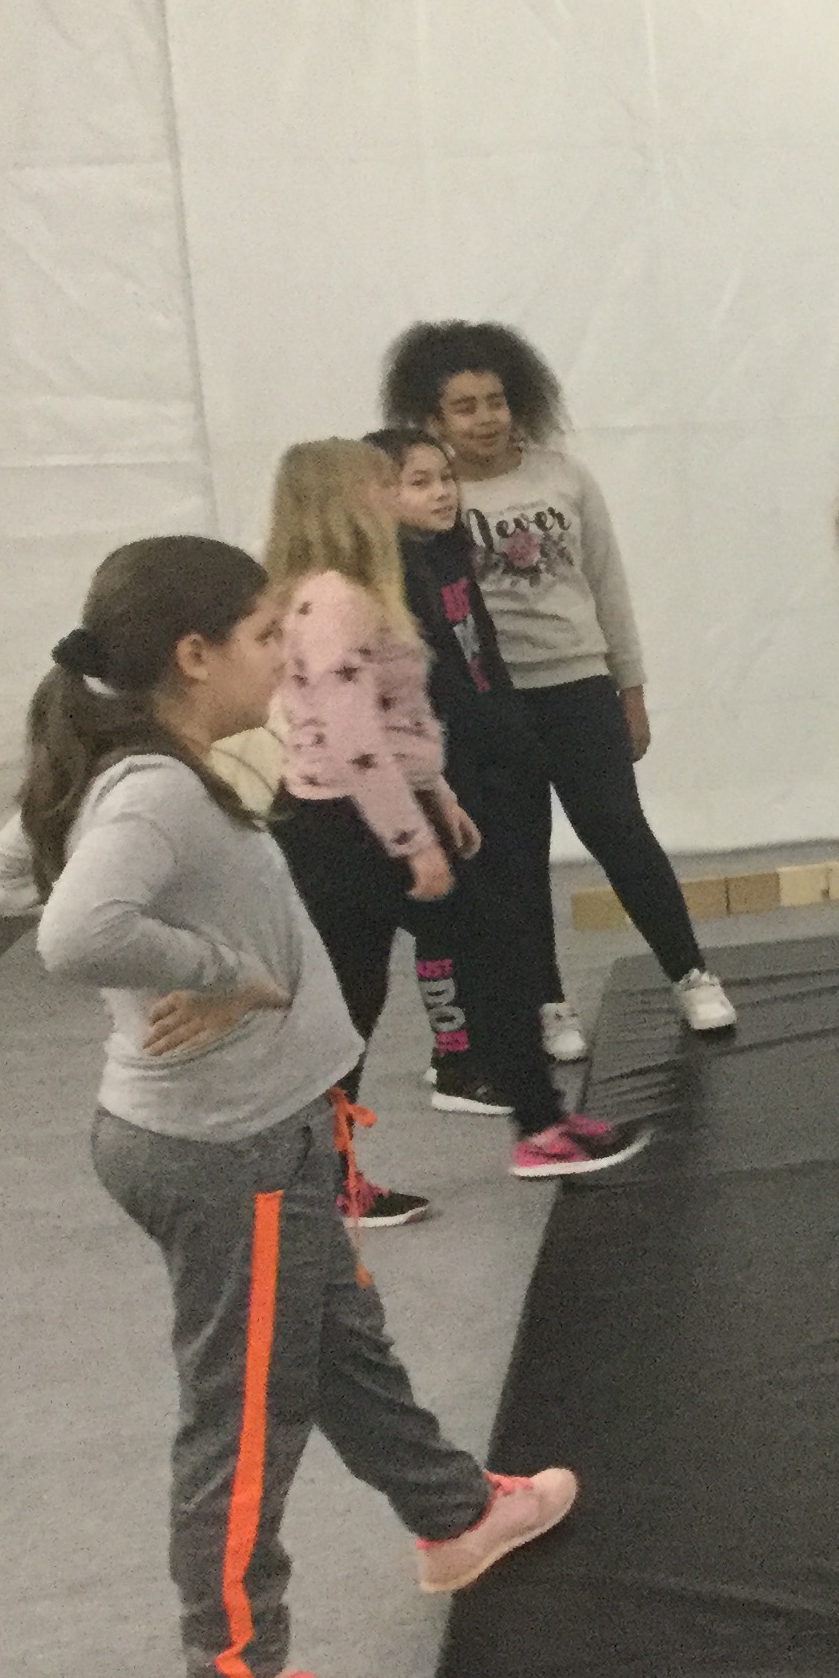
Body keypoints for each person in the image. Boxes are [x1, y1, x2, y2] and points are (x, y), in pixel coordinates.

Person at [0, 536, 579, 1678]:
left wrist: (197, 951)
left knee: (335, 1342)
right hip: (226, 1146)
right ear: (193, 655)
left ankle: (456, 1514)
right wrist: (222, 970)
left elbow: (18, 861)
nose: (287, 657)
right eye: (266, 638)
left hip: (266, 1125)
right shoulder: (152, 788)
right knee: (249, 1414)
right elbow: (73, 930)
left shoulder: (137, 765)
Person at [378, 321, 736, 1043]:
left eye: (495, 401)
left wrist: (630, 689)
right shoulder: (432, 503)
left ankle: (691, 973)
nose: (485, 418)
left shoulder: (562, 476)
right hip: (490, 701)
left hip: (578, 685)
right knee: (516, 855)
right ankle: (547, 1001)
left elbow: (608, 585)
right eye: (465, 407)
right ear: (433, 418)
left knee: (621, 833)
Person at [362, 425, 646, 1178]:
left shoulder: (447, 553)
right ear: (376, 497)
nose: (442, 492)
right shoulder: (379, 582)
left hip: (472, 770)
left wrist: (510, 734)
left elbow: (475, 654)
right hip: (423, 784)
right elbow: (399, 706)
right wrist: (423, 803)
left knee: (498, 937)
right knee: (422, 947)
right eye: (419, 482)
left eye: (444, 478)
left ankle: (536, 1115)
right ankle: (459, 1065)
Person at [256, 440, 469, 1228]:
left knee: (353, 1000)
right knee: (345, 1005)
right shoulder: (336, 598)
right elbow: (356, 740)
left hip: (363, 809)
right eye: (381, 485)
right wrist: (413, 840)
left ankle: (325, 1173)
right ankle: (325, 1179)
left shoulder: (345, 593)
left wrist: (438, 794)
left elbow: (395, 719)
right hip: (343, 822)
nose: (395, 495)